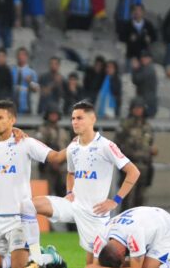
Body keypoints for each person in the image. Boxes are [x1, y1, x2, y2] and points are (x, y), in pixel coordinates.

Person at [20, 101, 140, 267]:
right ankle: (37, 258)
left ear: (92, 120)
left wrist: (115, 200)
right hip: (74, 207)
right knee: (28, 205)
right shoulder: (73, 147)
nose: (75, 122)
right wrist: (69, 192)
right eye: (73, 118)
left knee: (94, 265)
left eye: (80, 118)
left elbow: (134, 172)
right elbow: (71, 173)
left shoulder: (106, 146)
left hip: (95, 216)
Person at [0, 100, 67, 268]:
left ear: (12, 120)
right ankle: (44, 259)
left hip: (18, 219)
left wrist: (79, 144)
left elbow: (56, 157)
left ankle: (47, 259)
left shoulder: (26, 143)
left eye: (0, 118)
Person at [89, 207, 170, 268]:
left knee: (147, 267)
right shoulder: (101, 234)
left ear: (121, 253)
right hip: (150, 224)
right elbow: (95, 265)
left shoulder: (134, 236)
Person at [114, 98, 157, 211]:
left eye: (140, 108)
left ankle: (138, 224)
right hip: (129, 165)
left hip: (144, 165)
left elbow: (151, 143)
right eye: (136, 108)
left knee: (141, 198)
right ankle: (123, 224)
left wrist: (152, 151)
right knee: (127, 197)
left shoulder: (147, 126)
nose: (138, 110)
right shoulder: (125, 125)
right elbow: (117, 144)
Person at [35, 105, 70, 198]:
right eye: (51, 114)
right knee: (46, 195)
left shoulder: (63, 131)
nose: (54, 116)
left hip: (61, 169)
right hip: (47, 169)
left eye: (55, 114)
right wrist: (52, 162)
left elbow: (68, 149)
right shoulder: (42, 130)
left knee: (64, 197)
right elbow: (39, 148)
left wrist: (61, 162)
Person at [119, 4, 157, 69]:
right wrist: (129, 38)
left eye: (139, 10)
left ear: (143, 12)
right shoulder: (127, 24)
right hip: (131, 55)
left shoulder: (148, 24)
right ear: (132, 12)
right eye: (135, 10)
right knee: (129, 76)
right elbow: (121, 37)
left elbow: (155, 37)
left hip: (145, 55)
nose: (137, 12)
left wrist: (150, 38)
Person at [11, 48, 39, 114]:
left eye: (23, 55)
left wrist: (30, 81)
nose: (20, 57)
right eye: (19, 55)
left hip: (25, 104)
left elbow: (36, 89)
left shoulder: (31, 72)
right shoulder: (11, 70)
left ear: (27, 57)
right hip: (12, 103)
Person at [131, 51, 158, 117]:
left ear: (150, 59)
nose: (142, 59)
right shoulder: (144, 68)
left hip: (148, 102)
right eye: (142, 57)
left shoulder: (149, 69)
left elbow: (136, 80)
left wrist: (135, 69)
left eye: (145, 57)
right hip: (145, 101)